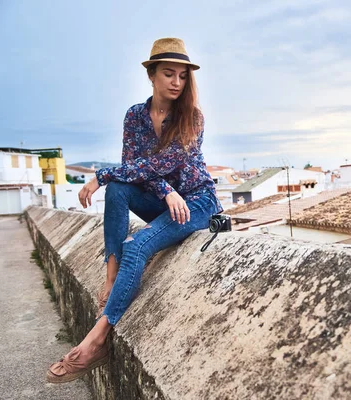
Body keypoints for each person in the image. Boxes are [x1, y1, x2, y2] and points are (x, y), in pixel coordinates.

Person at [46, 37, 222, 383]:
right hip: (168, 199)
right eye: (169, 73)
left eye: (183, 76)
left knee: (137, 243)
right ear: (151, 75)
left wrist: (101, 174)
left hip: (198, 203)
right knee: (120, 189)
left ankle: (97, 340)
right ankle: (111, 279)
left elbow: (164, 162)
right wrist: (166, 190)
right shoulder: (135, 116)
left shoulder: (192, 118)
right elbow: (138, 167)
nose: (176, 82)